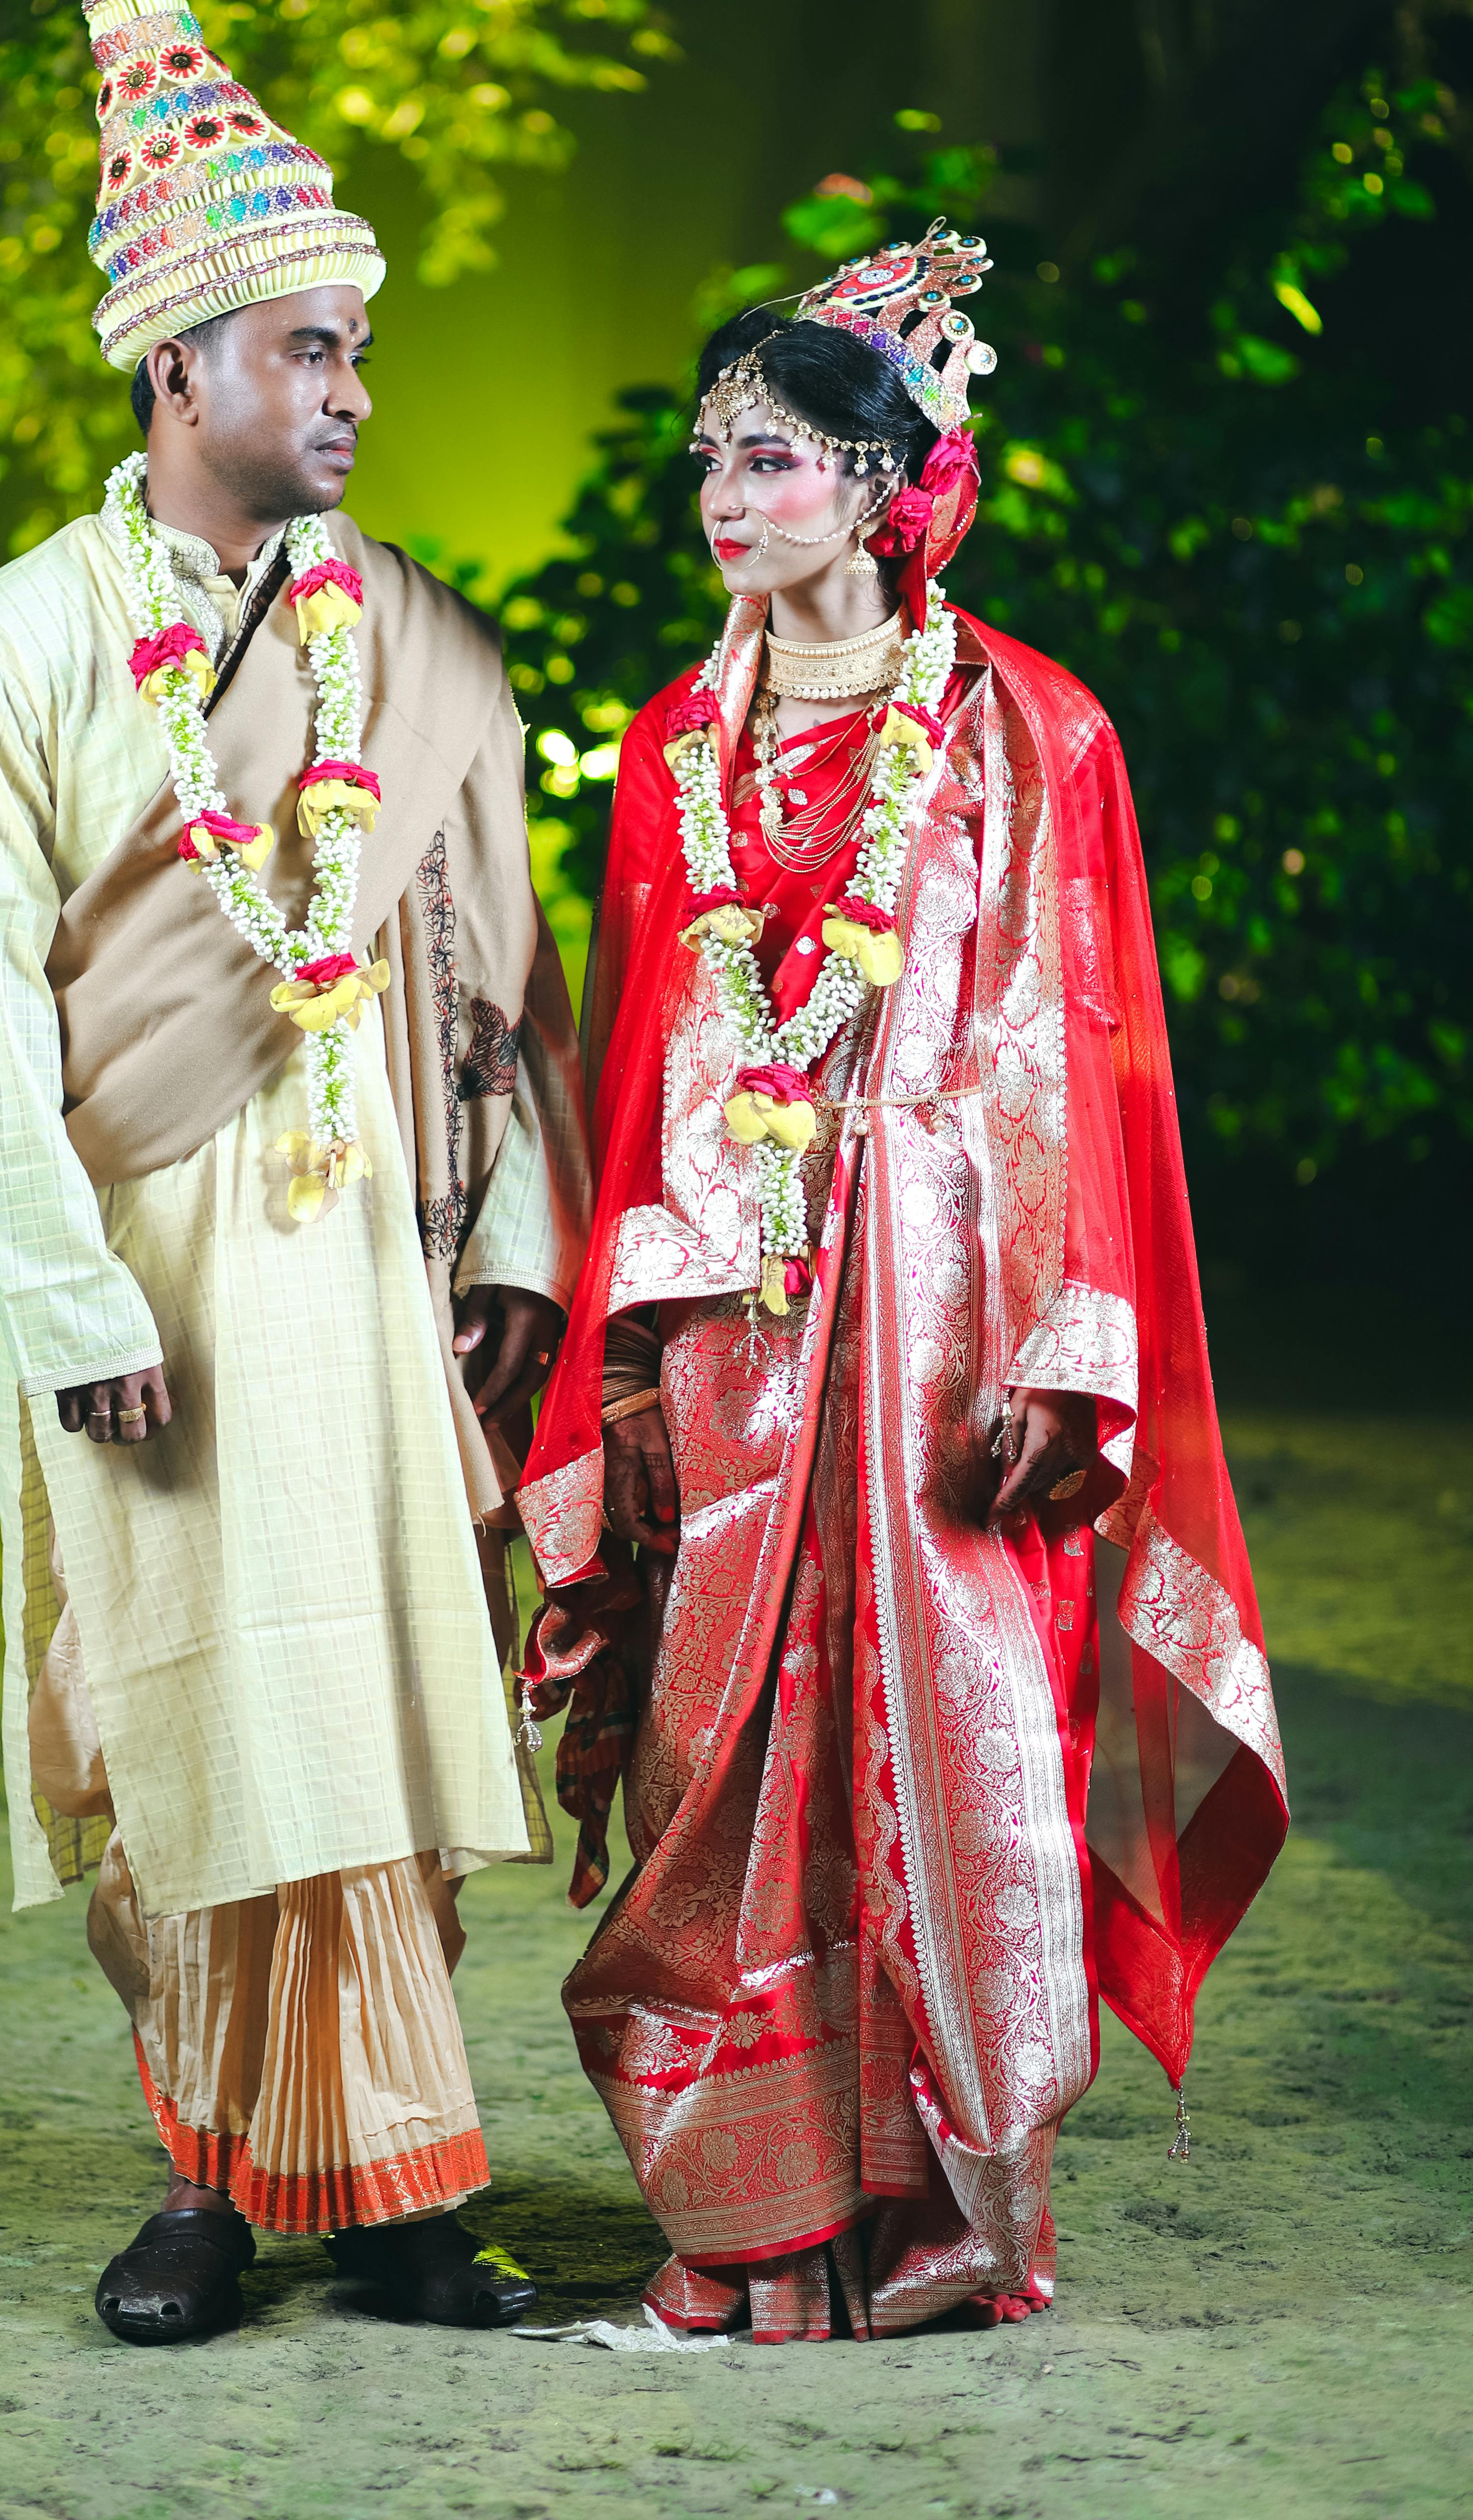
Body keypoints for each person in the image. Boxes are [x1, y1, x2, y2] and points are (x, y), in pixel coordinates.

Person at [0, 0, 586, 2346]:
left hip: (364, 1279)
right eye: (313, 350)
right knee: (185, 1712)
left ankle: (400, 2195)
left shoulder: (413, 640)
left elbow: (500, 984)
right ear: (181, 363)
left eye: (363, 350)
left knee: (385, 1700)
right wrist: (64, 1299)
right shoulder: (16, 639)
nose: (354, 392)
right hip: (149, 1293)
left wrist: (508, 1263)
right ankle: (204, 2186)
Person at [516, 222, 1288, 2343]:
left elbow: (1077, 1046)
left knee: (955, 1745)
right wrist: (638, 1347)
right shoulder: (675, 740)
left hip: (951, 1323)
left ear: (887, 484)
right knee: (712, 1752)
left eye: (770, 459)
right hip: (738, 1312)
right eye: (709, 462)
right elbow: (645, 1052)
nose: (724, 499)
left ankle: (937, 2219)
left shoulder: (1030, 734)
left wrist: (1070, 1338)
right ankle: (744, 2224)